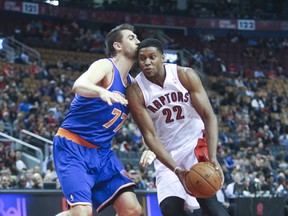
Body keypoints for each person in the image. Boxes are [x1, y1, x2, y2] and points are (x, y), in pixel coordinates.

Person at [126, 38, 229, 216]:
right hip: (166, 153)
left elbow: (209, 116)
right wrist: (176, 169)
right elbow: (150, 136)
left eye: (152, 57)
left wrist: (213, 158)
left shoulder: (184, 75)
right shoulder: (136, 90)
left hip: (194, 145)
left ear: (162, 57)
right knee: (170, 209)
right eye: (142, 58)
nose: (147, 62)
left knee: (210, 205)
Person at [53, 24, 141, 216]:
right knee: (83, 212)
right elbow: (79, 84)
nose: (138, 41)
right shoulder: (106, 65)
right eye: (132, 38)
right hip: (73, 146)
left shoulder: (133, 85)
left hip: (103, 153)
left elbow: (146, 121)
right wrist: (101, 91)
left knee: (132, 209)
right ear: (118, 45)